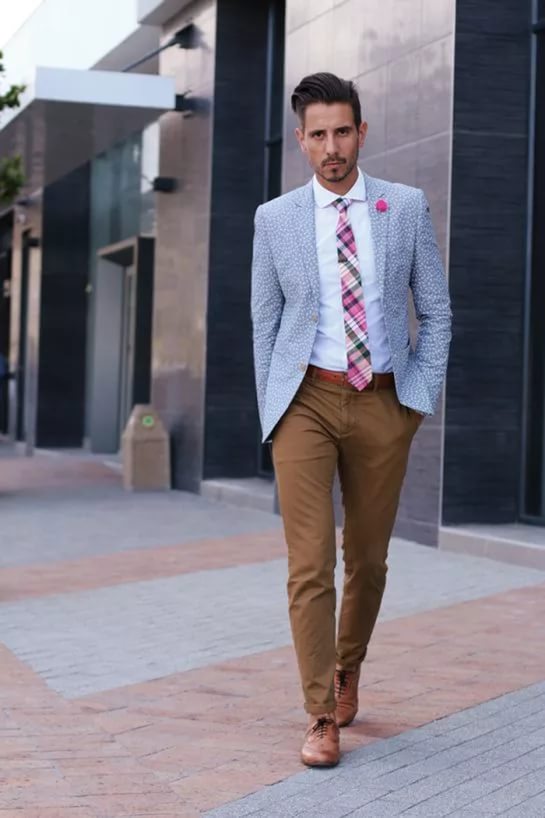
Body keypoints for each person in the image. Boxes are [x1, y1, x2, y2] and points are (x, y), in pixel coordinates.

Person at [251, 72, 452, 768]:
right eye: (318, 135)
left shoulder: (404, 206)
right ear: (301, 141)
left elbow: (436, 310)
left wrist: (414, 402)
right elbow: (265, 322)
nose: (331, 147)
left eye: (342, 132)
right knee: (309, 564)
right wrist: (273, 408)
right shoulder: (274, 219)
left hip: (382, 402)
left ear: (361, 133)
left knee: (365, 559)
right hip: (304, 400)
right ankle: (318, 715)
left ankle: (347, 668)